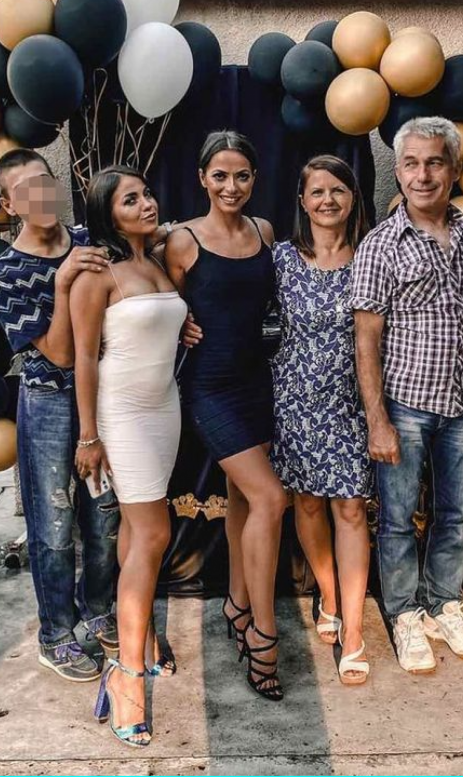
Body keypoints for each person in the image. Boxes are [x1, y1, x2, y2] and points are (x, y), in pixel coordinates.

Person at [351, 116, 463, 676]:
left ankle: (443, 603)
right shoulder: (380, 245)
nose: (422, 175)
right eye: (410, 163)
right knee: (397, 518)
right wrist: (377, 420)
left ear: (454, 169)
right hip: (405, 404)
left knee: (455, 515)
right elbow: (366, 338)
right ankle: (405, 613)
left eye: (434, 162)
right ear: (399, 172)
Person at [0, 149, 120, 683]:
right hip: (48, 405)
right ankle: (56, 634)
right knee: (54, 526)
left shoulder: (93, 239)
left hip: (104, 398)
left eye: (44, 181)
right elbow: (61, 354)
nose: (40, 195)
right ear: (8, 204)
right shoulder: (5, 273)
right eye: (25, 190)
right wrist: (63, 284)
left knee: (104, 517)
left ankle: (98, 608)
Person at [164, 130, 287, 701]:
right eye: (220, 176)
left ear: (254, 179)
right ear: (202, 179)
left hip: (257, 382)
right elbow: (156, 301)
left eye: (241, 176)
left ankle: (237, 604)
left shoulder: (265, 232)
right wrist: (179, 324)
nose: (231, 186)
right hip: (209, 387)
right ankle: (264, 631)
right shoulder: (182, 241)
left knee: (243, 499)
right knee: (270, 498)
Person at [70, 166, 188, 747]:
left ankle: (138, 636)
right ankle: (127, 676)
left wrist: (186, 328)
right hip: (122, 413)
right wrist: (88, 436)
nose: (146, 203)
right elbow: (83, 358)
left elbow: (163, 326)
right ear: (107, 215)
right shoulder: (97, 273)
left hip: (165, 408)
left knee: (138, 535)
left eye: (146, 194)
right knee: (154, 533)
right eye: (129, 200)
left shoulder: (158, 261)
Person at [270, 155, 373, 685]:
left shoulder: (371, 256)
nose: (328, 200)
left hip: (354, 401)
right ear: (303, 201)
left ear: (353, 198)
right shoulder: (282, 258)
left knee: (351, 508)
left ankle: (354, 633)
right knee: (307, 503)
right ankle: (329, 595)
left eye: (338, 190)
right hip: (295, 399)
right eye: (317, 191)